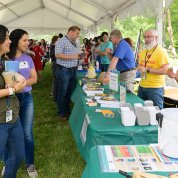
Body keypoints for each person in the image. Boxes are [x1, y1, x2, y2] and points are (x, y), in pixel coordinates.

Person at [7, 29, 38, 177]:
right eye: (25, 40)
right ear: (16, 40)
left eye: (28, 40)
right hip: (9, 100)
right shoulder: (5, 58)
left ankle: (30, 164)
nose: (28, 43)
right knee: (8, 133)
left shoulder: (28, 58)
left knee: (27, 133)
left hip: (26, 98)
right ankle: (8, 162)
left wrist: (21, 84)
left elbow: (34, 78)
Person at [0, 24, 26, 178]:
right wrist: (12, 90)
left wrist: (16, 83)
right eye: (7, 37)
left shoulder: (4, 61)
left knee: (18, 155)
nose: (10, 41)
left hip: (13, 116)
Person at [137, 29, 169, 109]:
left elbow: (165, 70)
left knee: (156, 113)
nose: (146, 39)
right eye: (145, 37)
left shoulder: (161, 52)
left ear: (156, 38)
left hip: (155, 88)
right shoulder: (144, 52)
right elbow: (140, 65)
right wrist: (139, 68)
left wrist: (147, 70)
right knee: (140, 111)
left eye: (149, 37)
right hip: (142, 86)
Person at [55, 26, 81, 121]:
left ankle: (67, 110)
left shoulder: (76, 43)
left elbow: (78, 54)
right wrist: (73, 57)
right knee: (62, 92)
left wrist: (81, 55)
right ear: (71, 32)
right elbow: (58, 54)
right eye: (77, 33)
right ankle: (61, 113)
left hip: (73, 70)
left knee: (70, 92)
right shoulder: (61, 41)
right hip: (64, 70)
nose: (78, 35)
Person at [50, 35, 59, 100]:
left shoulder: (54, 46)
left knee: (56, 80)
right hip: (55, 64)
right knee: (55, 80)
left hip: (56, 64)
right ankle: (54, 95)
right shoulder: (54, 46)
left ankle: (54, 94)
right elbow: (52, 55)